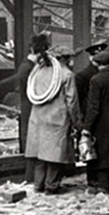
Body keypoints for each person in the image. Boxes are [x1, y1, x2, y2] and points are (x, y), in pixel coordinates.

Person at [26, 45, 81, 194]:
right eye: (70, 58)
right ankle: (51, 186)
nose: (71, 61)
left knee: (40, 155)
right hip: (57, 120)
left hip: (38, 119)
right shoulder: (67, 75)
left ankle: (39, 185)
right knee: (56, 156)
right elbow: (72, 102)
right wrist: (77, 123)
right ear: (64, 58)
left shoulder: (38, 72)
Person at [82, 51, 109, 194]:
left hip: (101, 123)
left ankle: (104, 186)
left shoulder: (96, 80)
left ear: (96, 63)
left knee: (101, 155)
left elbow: (93, 107)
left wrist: (87, 127)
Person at [17, 33, 50, 182]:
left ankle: (33, 178)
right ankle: (31, 178)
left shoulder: (28, 66)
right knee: (32, 143)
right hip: (31, 109)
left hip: (30, 109)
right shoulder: (29, 68)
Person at [75, 41, 108, 189]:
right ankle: (93, 178)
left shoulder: (101, 74)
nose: (98, 58)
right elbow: (79, 100)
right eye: (95, 55)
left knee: (101, 147)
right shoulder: (82, 76)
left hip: (101, 116)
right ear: (90, 57)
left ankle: (100, 177)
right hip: (90, 116)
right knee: (90, 147)